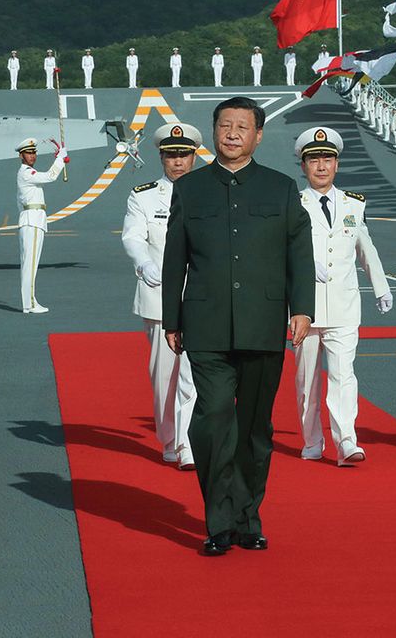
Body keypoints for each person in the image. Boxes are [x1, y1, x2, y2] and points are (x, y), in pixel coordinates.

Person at [161, 96, 314, 556]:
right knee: (211, 424)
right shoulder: (189, 189)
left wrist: (301, 309)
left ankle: (248, 517)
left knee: (253, 429)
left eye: (241, 127)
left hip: (263, 325)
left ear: (258, 135)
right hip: (205, 326)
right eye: (224, 125)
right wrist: (172, 317)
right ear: (213, 131)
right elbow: (175, 260)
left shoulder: (282, 189)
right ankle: (219, 520)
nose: (232, 133)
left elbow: (298, 255)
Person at [292, 127, 391, 467]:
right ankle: (311, 440)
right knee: (306, 382)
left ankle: (346, 440)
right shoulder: (293, 204)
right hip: (304, 307)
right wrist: (305, 265)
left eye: (328, 159)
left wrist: (381, 287)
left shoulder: (353, 204)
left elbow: (366, 248)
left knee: (343, 375)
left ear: (337, 164)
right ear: (303, 165)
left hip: (345, 305)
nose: (321, 166)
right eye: (314, 160)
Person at [121, 123, 202, 469]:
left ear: (194, 156)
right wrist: (143, 264)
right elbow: (133, 237)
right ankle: (169, 438)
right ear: (161, 157)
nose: (178, 162)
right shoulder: (143, 195)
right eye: (171, 155)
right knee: (164, 374)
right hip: (159, 297)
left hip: (201, 295)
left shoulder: (210, 191)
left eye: (184, 155)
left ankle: (186, 443)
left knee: (194, 373)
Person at [16, 137, 69, 313]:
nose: (32, 156)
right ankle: (29, 304)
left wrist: (59, 159)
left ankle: (30, 301)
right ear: (21, 156)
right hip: (32, 220)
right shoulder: (26, 173)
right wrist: (60, 159)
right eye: (28, 153)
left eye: (33, 153)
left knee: (30, 264)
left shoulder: (29, 173)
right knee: (30, 265)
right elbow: (50, 176)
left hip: (34, 219)